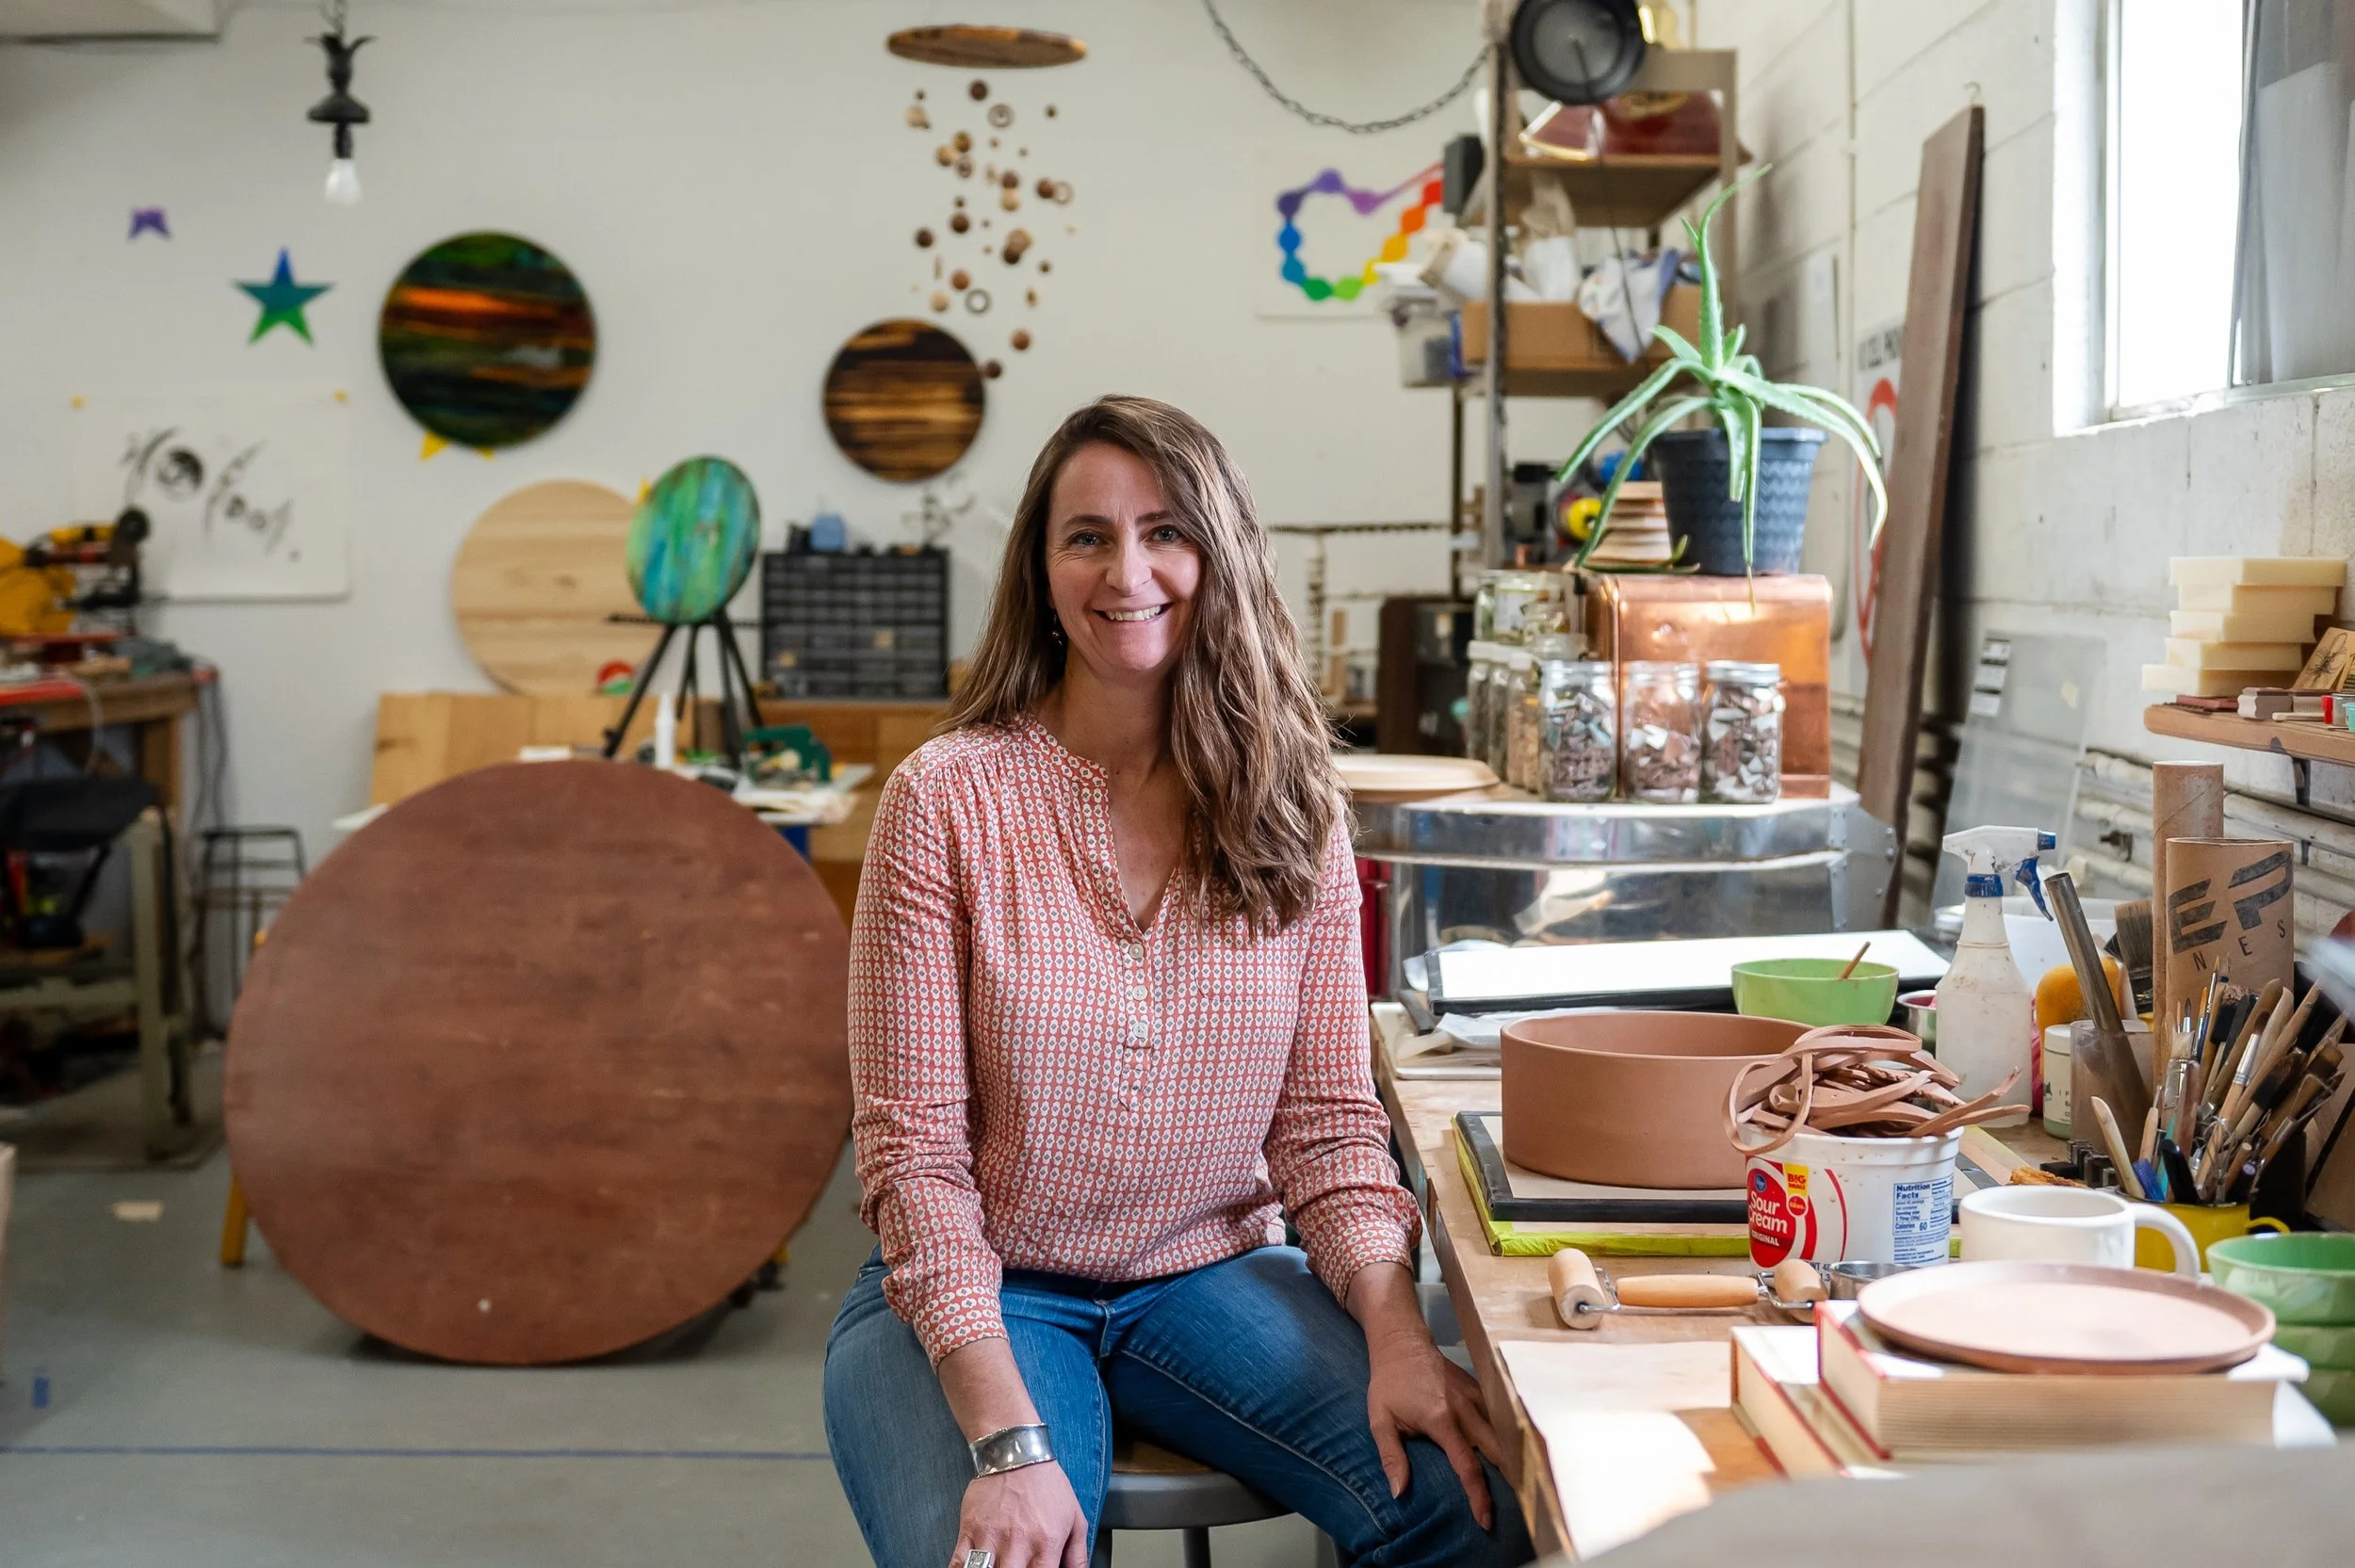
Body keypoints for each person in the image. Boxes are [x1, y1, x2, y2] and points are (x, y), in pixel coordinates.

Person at [823, 396, 1530, 1568]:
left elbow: (1327, 1128)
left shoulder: (1291, 807)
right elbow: (912, 1159)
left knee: (1474, 1502)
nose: (1127, 571)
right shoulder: (945, 800)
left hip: (1211, 1273)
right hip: (986, 1286)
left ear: (1220, 554)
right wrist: (1009, 1444)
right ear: (1041, 571)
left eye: (1165, 532)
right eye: (1086, 536)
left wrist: (1398, 1334)